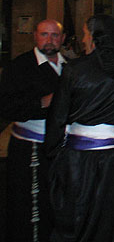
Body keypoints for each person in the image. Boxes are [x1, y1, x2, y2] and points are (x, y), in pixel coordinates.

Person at [44, 15, 114, 242]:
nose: (83, 40)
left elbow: (57, 117)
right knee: (112, 221)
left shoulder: (75, 69)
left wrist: (54, 153)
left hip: (79, 161)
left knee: (76, 219)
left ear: (95, 38)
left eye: (85, 34)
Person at [0, 19, 65, 242]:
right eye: (44, 35)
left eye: (54, 35)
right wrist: (40, 103)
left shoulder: (70, 66)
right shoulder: (20, 66)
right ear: (35, 37)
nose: (49, 40)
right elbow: (6, 106)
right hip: (29, 150)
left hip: (62, 149)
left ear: (62, 38)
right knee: (29, 204)